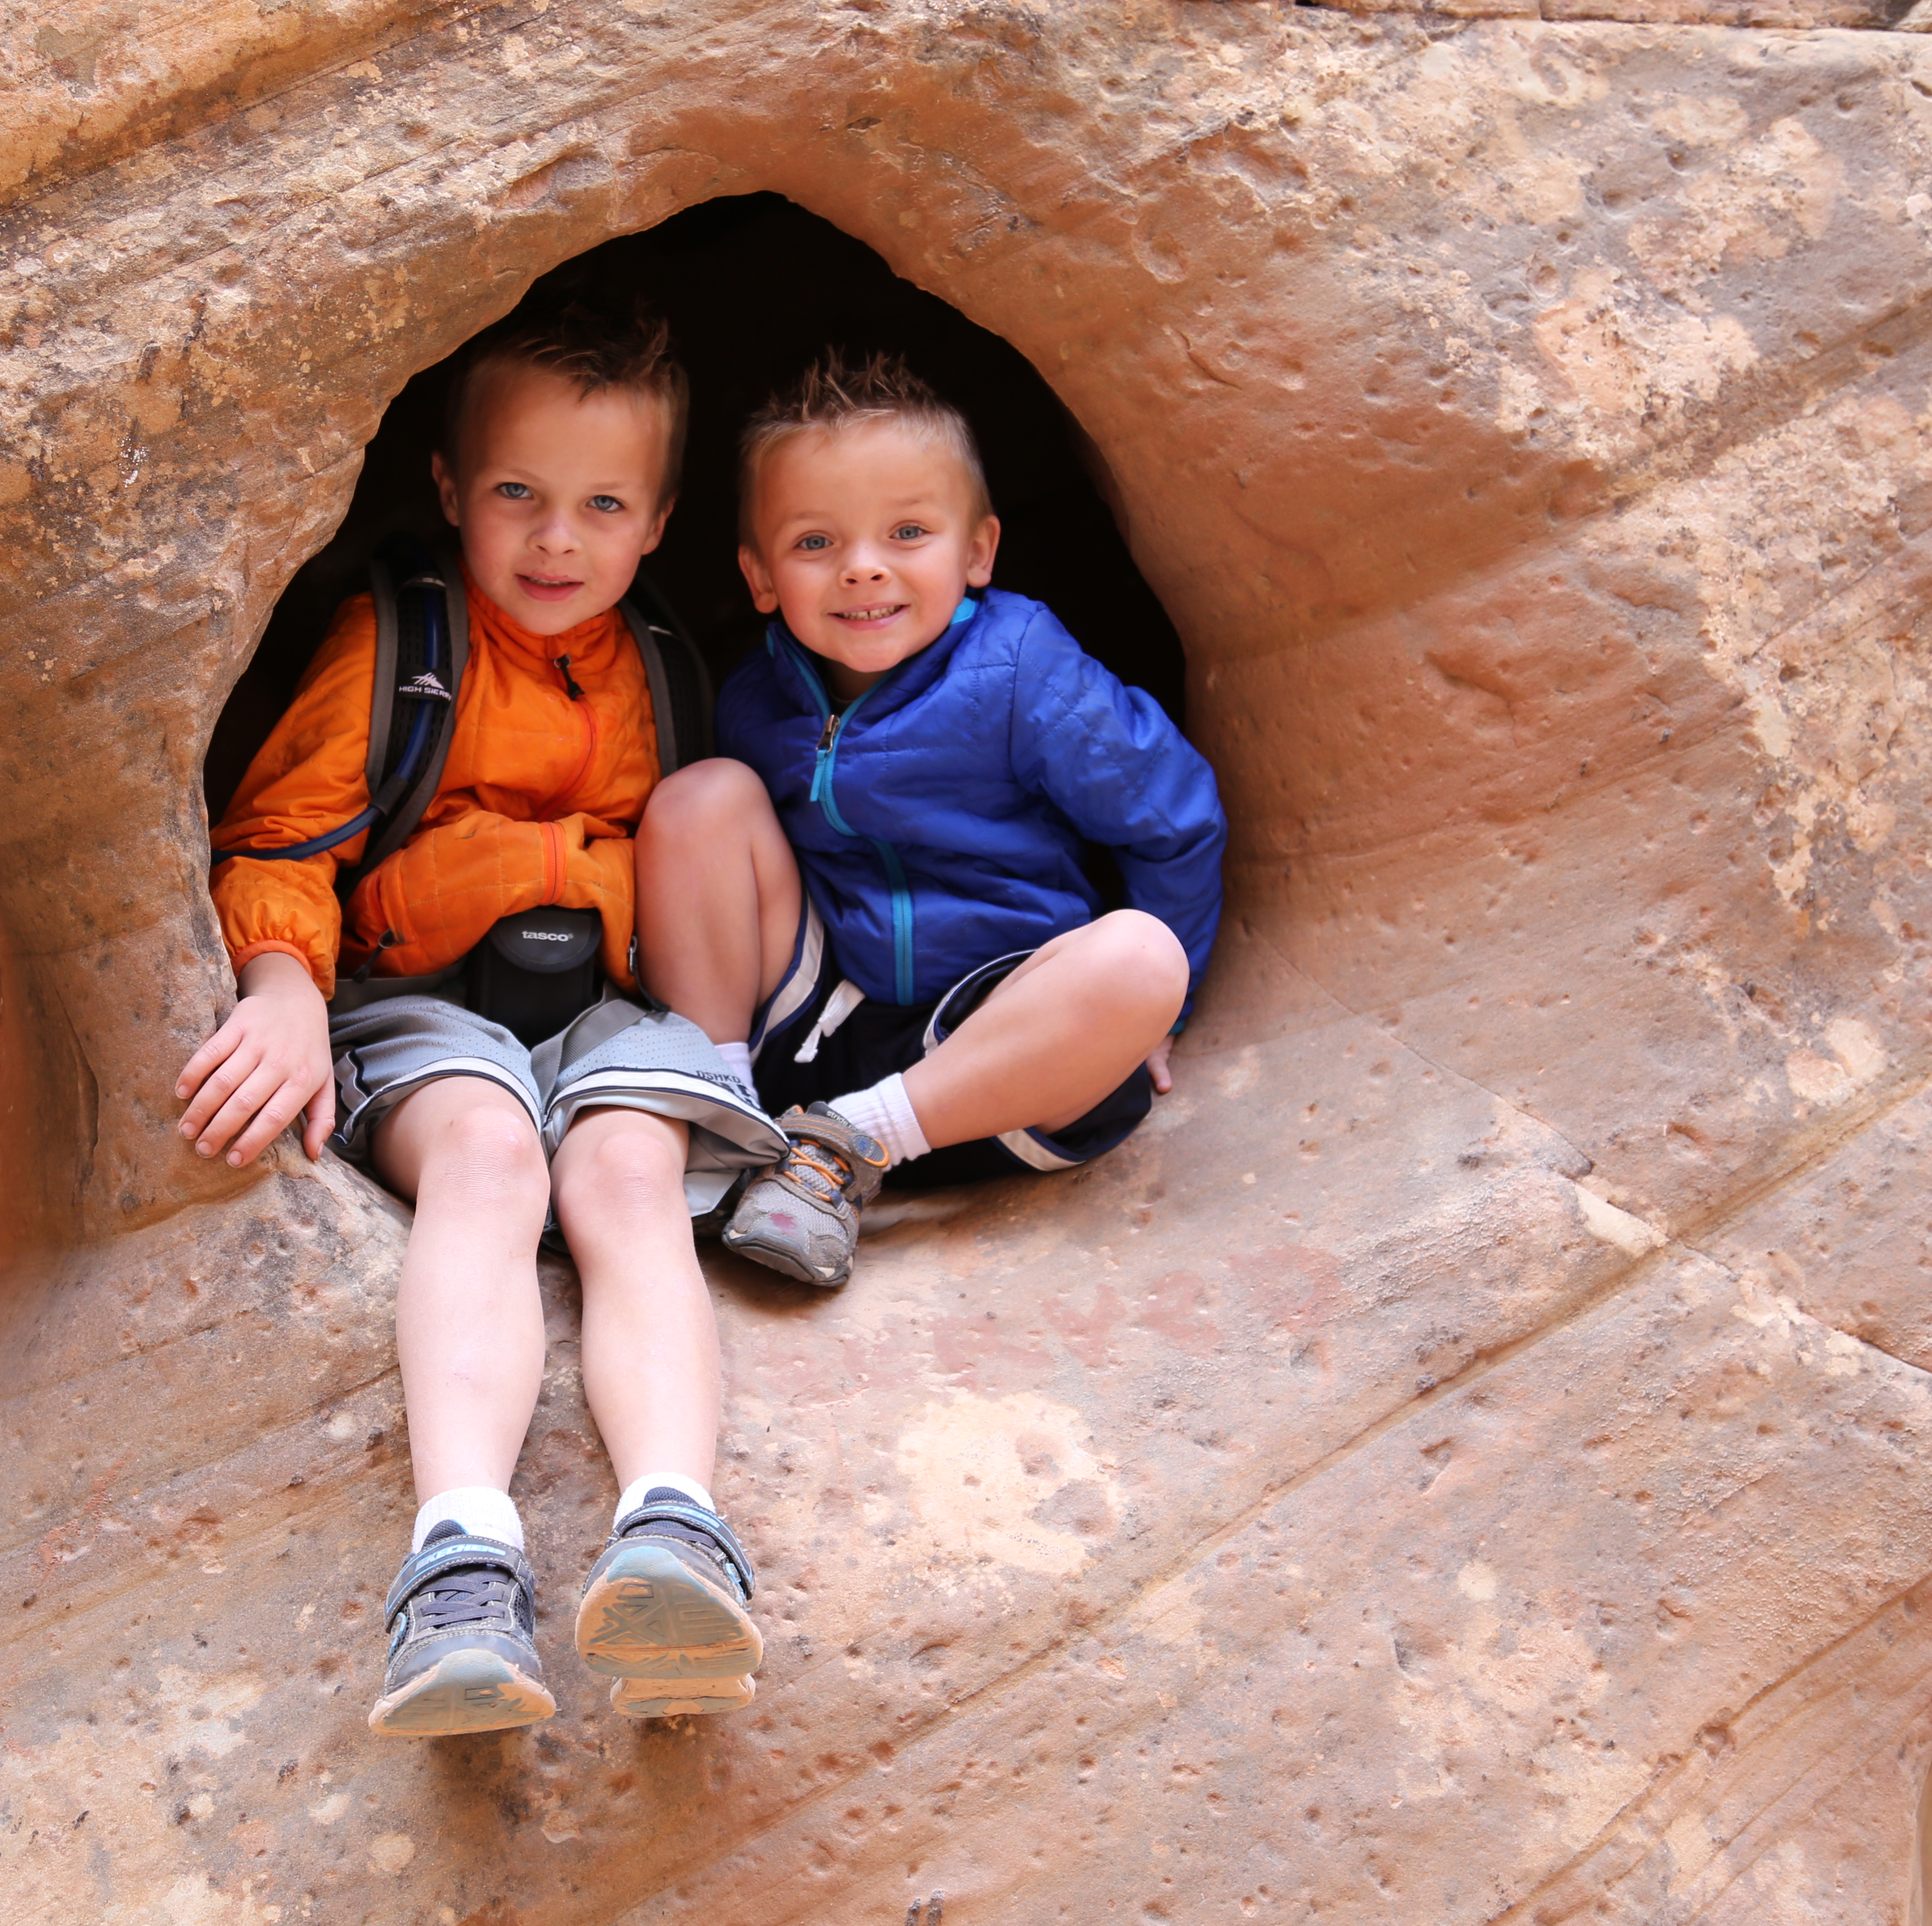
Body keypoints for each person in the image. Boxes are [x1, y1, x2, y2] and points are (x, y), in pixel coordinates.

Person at [177, 306, 786, 1738]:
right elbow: (280, 840)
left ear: (659, 527)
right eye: (518, 492)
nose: (556, 539)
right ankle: (459, 1559)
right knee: (494, 1167)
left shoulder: (659, 667)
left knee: (628, 1178)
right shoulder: (403, 644)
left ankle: (675, 1530)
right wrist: (280, 989)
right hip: (423, 1008)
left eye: (602, 506)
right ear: (450, 491)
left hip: (607, 1015)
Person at [636, 351, 1226, 1288]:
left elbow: (1175, 817)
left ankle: (845, 1149)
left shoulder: (1022, 667)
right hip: (825, 1024)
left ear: (979, 551)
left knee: (1144, 958)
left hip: (1001, 1049)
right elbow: (725, 881)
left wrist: (1161, 1013)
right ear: (758, 576)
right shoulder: (758, 700)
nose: (864, 567)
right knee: (700, 799)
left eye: (908, 531)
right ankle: (720, 1105)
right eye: (816, 543)